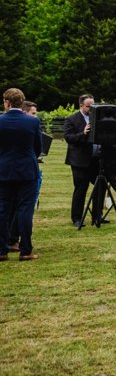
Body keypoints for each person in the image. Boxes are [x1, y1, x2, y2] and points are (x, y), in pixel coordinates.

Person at [0, 88, 43, 261]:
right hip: (26, 170)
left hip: (3, 170)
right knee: (25, 210)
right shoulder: (32, 122)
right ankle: (25, 250)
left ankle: (2, 250)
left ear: (7, 102)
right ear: (21, 102)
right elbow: (38, 146)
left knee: (2, 210)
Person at [64, 94, 100, 227]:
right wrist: (83, 133)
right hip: (80, 160)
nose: (91, 108)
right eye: (88, 106)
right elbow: (69, 138)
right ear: (81, 105)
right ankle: (77, 218)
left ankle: (97, 216)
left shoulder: (97, 118)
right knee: (81, 189)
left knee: (99, 187)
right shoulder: (72, 119)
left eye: (93, 105)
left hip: (96, 159)